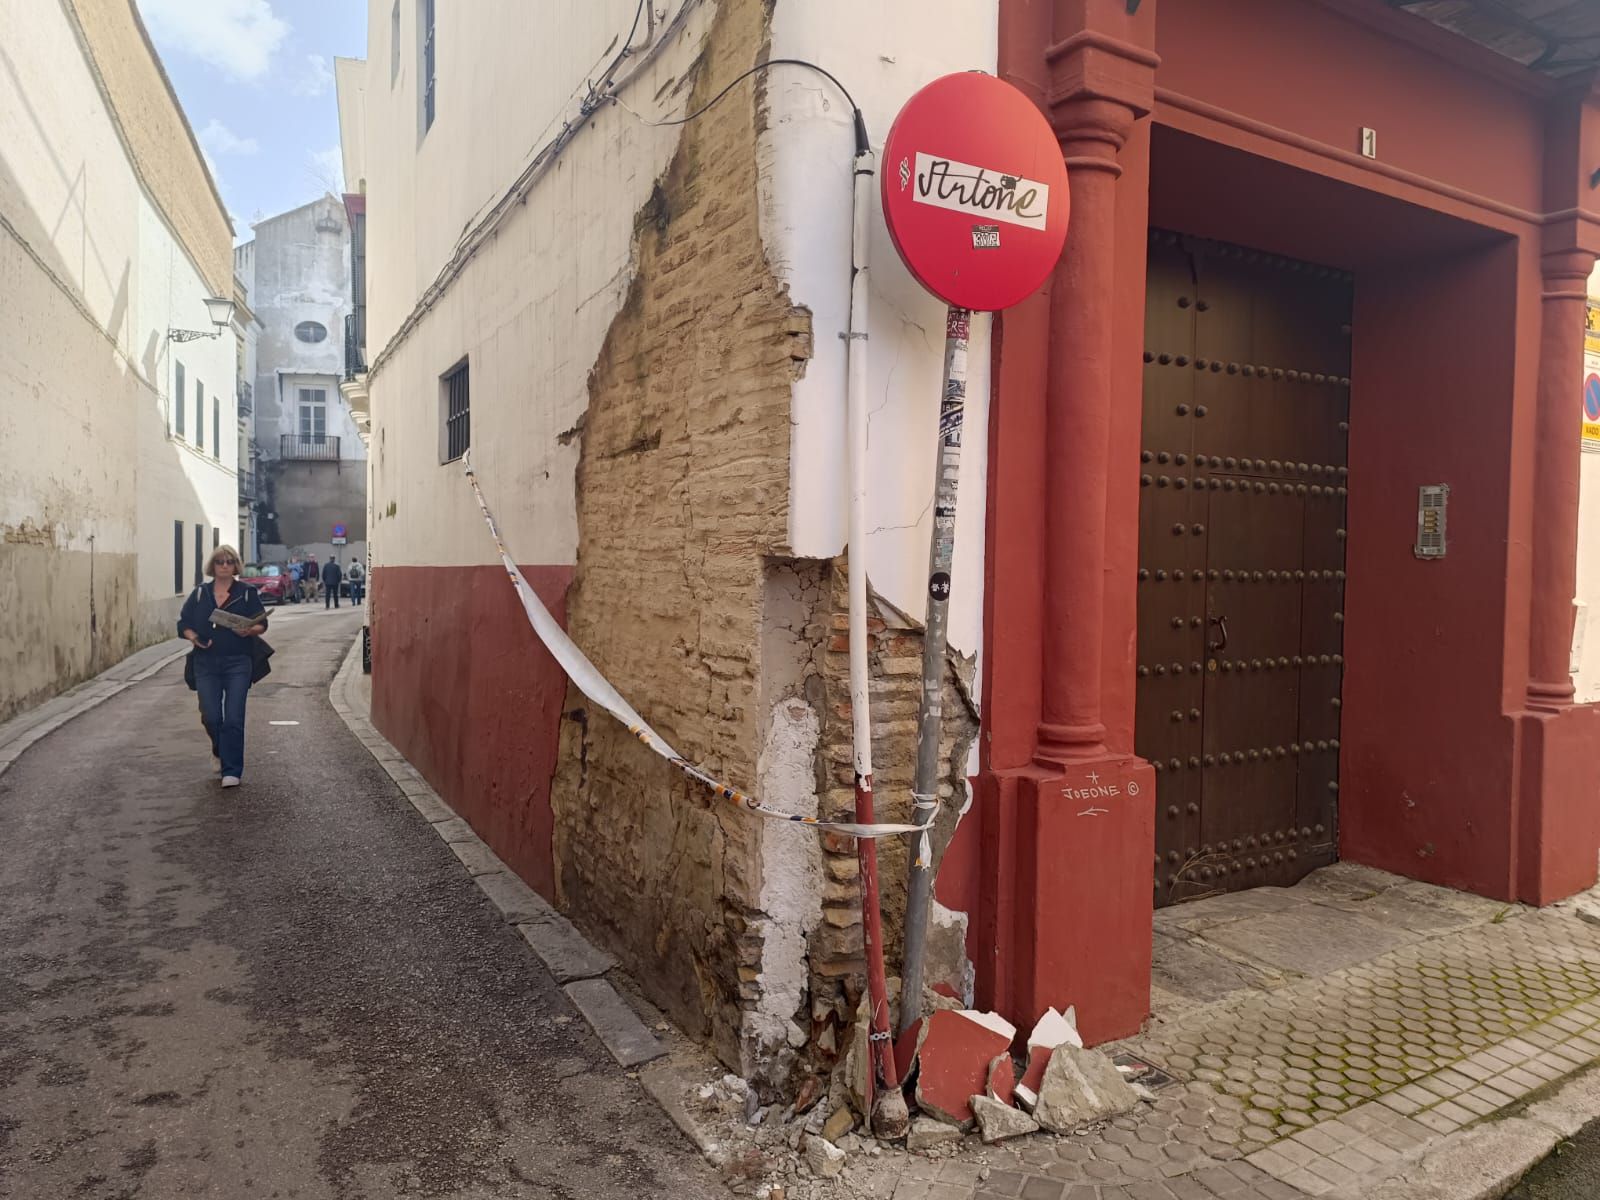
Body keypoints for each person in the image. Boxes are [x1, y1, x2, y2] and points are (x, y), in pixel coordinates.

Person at [177, 545, 268, 788]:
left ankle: (232, 770)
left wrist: (250, 629)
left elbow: (262, 623)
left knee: (234, 718)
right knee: (211, 715)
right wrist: (193, 637)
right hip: (206, 662)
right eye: (220, 561)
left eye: (229, 561)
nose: (225, 565)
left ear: (236, 565)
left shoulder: (246, 593)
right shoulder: (200, 594)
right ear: (213, 566)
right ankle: (219, 750)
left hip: (238, 661)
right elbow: (183, 623)